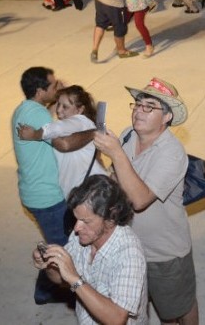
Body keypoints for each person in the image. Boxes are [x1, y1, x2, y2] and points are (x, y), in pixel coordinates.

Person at [93, 77, 200, 325]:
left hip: (164, 253)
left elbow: (140, 200)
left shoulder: (172, 153)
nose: (139, 111)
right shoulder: (128, 135)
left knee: (177, 309)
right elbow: (114, 179)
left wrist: (116, 153)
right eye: (138, 104)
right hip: (130, 247)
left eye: (149, 107)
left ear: (166, 117)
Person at [12, 67, 94, 305]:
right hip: (46, 197)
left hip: (34, 192)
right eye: (53, 85)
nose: (57, 87)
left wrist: (61, 92)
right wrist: (93, 132)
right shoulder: (39, 116)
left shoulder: (26, 108)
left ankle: (48, 288)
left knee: (59, 243)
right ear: (40, 91)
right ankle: (48, 290)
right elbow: (64, 144)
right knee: (62, 249)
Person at [32, 175, 148, 325]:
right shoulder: (81, 235)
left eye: (86, 221)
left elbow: (117, 318)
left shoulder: (129, 254)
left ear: (111, 217)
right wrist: (49, 264)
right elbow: (61, 279)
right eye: (76, 219)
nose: (76, 228)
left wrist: (75, 280)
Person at [17, 85, 107, 198]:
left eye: (65, 107)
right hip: (85, 191)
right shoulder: (81, 126)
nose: (59, 110)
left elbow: (57, 129)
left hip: (91, 193)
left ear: (80, 110)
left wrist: (35, 134)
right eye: (58, 104)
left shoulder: (81, 121)